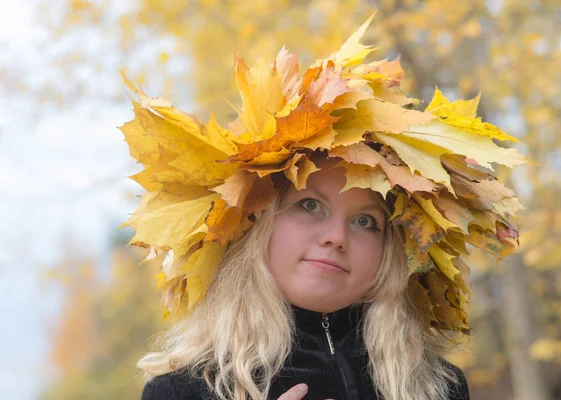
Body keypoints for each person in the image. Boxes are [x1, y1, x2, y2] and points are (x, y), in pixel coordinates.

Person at [118, 13, 524, 400]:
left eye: (366, 221)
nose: (335, 237)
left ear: (389, 251)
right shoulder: (185, 391)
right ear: (258, 221)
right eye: (310, 205)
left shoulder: (438, 388)